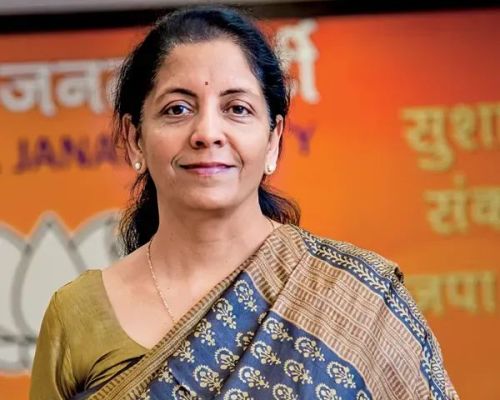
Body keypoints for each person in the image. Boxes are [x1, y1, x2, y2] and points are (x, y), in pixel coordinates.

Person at [30, 5, 458, 400]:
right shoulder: (79, 315)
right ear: (134, 138)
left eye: (237, 109)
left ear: (273, 140)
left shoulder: (355, 301)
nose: (207, 133)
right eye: (177, 109)